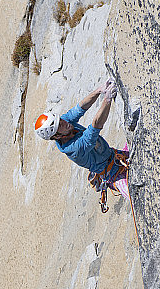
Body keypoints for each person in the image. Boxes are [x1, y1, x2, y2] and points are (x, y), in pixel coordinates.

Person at [34, 80, 129, 213]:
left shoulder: (64, 123)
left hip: (116, 156)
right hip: (112, 174)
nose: (64, 123)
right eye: (60, 125)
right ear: (56, 136)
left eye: (60, 120)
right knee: (132, 194)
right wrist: (107, 99)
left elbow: (80, 108)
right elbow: (95, 125)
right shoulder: (73, 149)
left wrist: (99, 90)